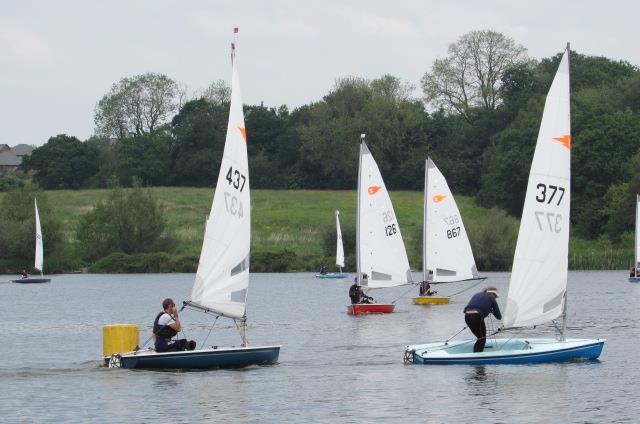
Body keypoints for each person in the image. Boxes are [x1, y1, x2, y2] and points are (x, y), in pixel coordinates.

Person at [464, 287, 502, 353]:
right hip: (477, 317)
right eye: (495, 296)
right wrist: (492, 311)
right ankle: (477, 357)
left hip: (467, 317)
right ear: (493, 294)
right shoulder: (491, 297)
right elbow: (499, 317)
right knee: (482, 338)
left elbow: (465, 310)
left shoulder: (477, 294)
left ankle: (479, 347)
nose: (495, 298)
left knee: (480, 337)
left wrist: (485, 310)